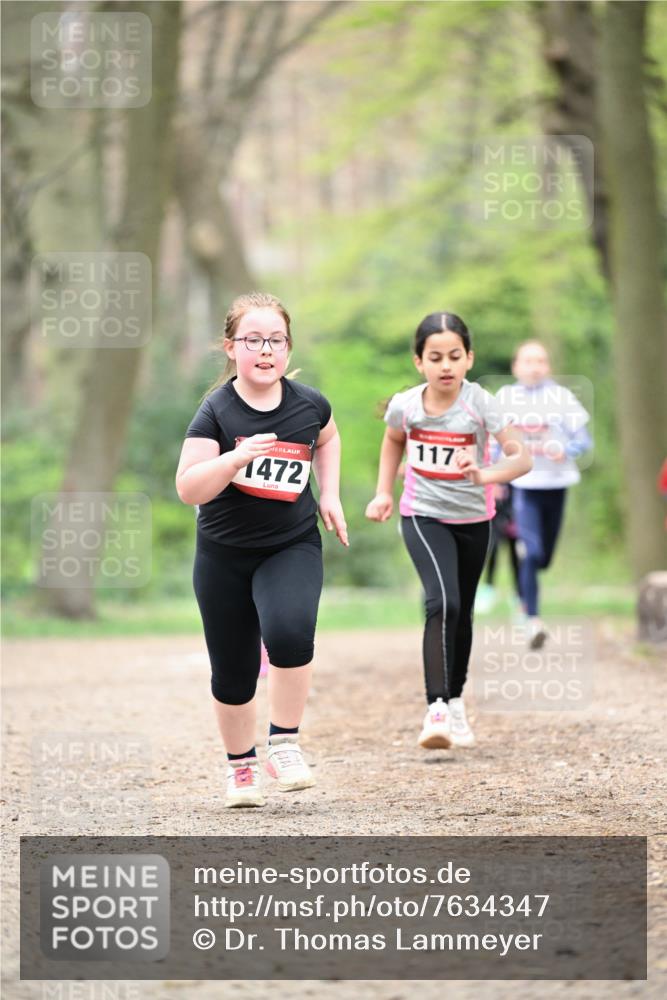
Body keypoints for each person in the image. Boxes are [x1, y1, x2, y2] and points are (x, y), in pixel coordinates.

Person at [176, 292, 348, 808]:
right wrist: (232, 461)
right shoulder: (217, 411)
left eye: (276, 340)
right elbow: (188, 488)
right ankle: (241, 769)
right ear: (232, 348)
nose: (265, 350)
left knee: (291, 631)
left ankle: (285, 743)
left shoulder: (309, 403)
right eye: (253, 340)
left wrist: (331, 493)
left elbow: (328, 438)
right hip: (223, 555)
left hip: (290, 545)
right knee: (233, 670)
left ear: (288, 348)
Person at [365, 312, 531, 751]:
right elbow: (393, 440)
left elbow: (522, 459)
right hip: (422, 514)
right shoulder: (407, 405)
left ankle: (456, 702)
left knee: (463, 613)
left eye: (454, 356)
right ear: (419, 361)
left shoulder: (480, 404)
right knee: (443, 602)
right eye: (435, 357)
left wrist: (484, 473)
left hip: (475, 519)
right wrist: (383, 492)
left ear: (468, 359)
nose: (445, 366)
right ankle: (435, 708)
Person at [495, 341, 592, 648]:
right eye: (528, 361)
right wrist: (496, 474)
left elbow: (584, 441)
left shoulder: (562, 398)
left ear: (547, 366)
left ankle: (522, 589)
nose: (534, 367)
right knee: (531, 551)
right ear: (516, 366)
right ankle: (532, 619)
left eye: (540, 361)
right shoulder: (505, 398)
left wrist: (566, 449)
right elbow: (493, 443)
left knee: (544, 559)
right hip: (524, 485)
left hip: (557, 484)